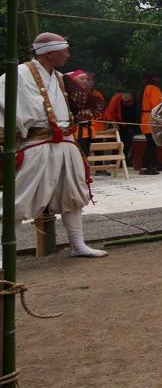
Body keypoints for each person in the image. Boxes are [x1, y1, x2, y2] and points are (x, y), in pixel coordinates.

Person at [0, 33, 106, 259]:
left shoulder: (59, 77)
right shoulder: (18, 74)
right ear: (49, 53)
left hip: (66, 143)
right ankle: (1, 255)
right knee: (18, 199)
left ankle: (78, 244)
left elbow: (78, 104)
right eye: (64, 50)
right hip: (36, 144)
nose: (68, 54)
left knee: (74, 194)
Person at [64, 69, 104, 158]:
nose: (85, 81)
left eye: (86, 79)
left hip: (87, 130)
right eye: (82, 79)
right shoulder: (67, 94)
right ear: (73, 81)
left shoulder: (91, 94)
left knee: (84, 156)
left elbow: (97, 110)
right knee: (77, 157)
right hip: (72, 131)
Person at [101, 90, 139, 169]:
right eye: (125, 102)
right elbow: (110, 113)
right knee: (116, 142)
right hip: (117, 123)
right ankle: (114, 161)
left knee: (127, 142)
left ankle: (125, 161)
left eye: (129, 102)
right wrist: (114, 123)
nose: (127, 104)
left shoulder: (136, 102)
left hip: (129, 124)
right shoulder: (116, 99)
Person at [138, 74, 162, 174]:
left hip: (146, 118)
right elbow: (157, 104)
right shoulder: (152, 88)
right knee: (152, 143)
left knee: (152, 143)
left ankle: (154, 164)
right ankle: (146, 166)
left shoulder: (145, 89)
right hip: (150, 118)